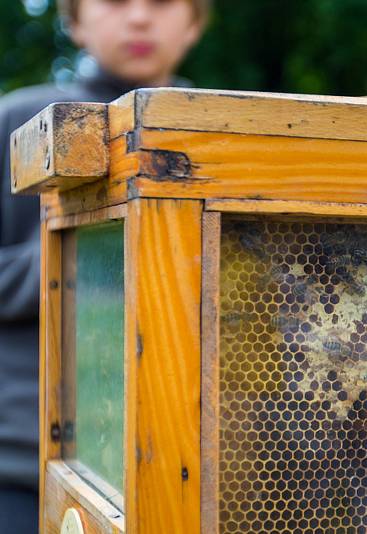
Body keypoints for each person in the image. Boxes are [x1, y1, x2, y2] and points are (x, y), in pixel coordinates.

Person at [0, 0, 209, 531]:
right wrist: (88, 255)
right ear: (73, 21)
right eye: (115, 1)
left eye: (162, 3)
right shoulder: (19, 117)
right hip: (26, 468)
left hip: (187, 469)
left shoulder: (216, 129)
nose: (139, 18)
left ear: (195, 23)